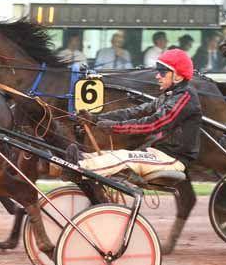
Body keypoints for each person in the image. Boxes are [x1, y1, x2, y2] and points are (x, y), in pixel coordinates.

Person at [63, 48, 202, 182]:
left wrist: (114, 127)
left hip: (172, 159)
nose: (157, 76)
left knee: (123, 157)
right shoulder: (169, 95)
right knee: (111, 154)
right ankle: (80, 160)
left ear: (177, 75)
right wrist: (95, 118)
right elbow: (134, 112)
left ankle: (79, 169)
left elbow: (153, 124)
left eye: (162, 72)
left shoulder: (185, 96)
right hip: (157, 154)